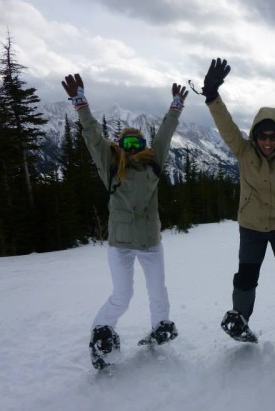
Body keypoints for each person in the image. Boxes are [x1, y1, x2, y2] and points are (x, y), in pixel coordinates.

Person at [61, 73, 189, 369]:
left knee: (159, 292)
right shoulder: (110, 165)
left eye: (137, 142)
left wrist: (175, 108)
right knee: (123, 295)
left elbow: (166, 134)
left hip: (150, 242)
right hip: (120, 244)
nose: (132, 147)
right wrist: (80, 104)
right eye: (127, 142)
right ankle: (102, 332)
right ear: (120, 145)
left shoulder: (154, 163)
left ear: (144, 145)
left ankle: (161, 327)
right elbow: (93, 136)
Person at [199, 58, 275, 352]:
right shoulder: (243, 151)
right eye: (262, 136)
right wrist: (212, 96)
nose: (268, 142)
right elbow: (226, 126)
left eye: (273, 136)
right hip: (252, 227)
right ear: (254, 135)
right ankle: (240, 318)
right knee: (246, 275)